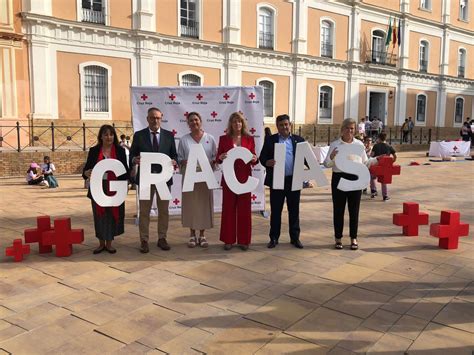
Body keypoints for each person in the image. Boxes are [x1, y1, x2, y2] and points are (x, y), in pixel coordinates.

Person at [129, 107, 178, 253]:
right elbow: (131, 155)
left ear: (161, 118)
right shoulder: (139, 135)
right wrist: (134, 159)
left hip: (163, 179)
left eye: (157, 118)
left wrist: (174, 161)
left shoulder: (169, 136)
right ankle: (144, 240)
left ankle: (162, 238)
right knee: (144, 211)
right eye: (152, 118)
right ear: (147, 119)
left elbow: (174, 155)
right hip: (145, 179)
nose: (155, 120)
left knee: (163, 211)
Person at [259, 114, 305, 249]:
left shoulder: (299, 140)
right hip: (277, 180)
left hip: (293, 180)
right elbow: (262, 158)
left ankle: (295, 238)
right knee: (276, 211)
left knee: (294, 211)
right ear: (277, 127)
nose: (284, 127)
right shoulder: (270, 140)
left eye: (286, 124)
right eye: (281, 125)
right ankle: (273, 238)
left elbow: (307, 159)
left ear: (289, 124)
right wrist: (267, 162)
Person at [82, 125, 129, 254]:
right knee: (100, 215)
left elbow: (125, 171)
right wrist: (87, 172)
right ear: (101, 137)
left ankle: (109, 243)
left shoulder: (120, 151)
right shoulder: (94, 150)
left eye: (111, 134)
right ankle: (101, 243)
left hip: (115, 187)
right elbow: (85, 170)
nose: (109, 137)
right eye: (106, 134)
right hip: (99, 186)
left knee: (111, 215)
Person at [324, 118, 369, 250]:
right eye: (347, 128)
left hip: (355, 178)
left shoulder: (359, 144)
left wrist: (376, 161)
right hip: (339, 178)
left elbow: (365, 162)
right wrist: (332, 157)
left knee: (354, 210)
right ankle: (338, 238)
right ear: (342, 129)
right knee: (338, 210)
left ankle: (353, 238)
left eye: (352, 129)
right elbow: (327, 164)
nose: (350, 131)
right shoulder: (335, 144)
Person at [216, 111, 257, 251]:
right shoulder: (223, 139)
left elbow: (254, 158)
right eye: (234, 121)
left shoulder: (249, 139)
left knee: (244, 211)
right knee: (228, 210)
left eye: (239, 121)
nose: (237, 124)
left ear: (243, 123)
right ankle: (228, 240)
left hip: (245, 179)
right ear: (231, 124)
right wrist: (221, 157)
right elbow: (218, 158)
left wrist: (255, 159)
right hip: (229, 179)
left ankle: (244, 240)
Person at [177, 112, 217, 248]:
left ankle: (202, 235)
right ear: (188, 124)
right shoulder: (184, 140)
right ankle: (192, 234)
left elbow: (215, 158)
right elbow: (179, 158)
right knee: (191, 205)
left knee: (204, 206)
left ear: (201, 121)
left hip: (205, 178)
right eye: (191, 121)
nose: (194, 122)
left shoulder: (210, 139)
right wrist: (184, 161)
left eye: (196, 120)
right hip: (190, 177)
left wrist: (211, 163)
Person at [370, 132, 397, 201]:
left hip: (376, 164)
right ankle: (385, 196)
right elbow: (395, 156)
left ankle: (373, 191)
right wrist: (391, 162)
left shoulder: (376, 146)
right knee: (383, 181)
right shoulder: (389, 146)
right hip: (385, 166)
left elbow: (371, 155)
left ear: (379, 138)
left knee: (372, 177)